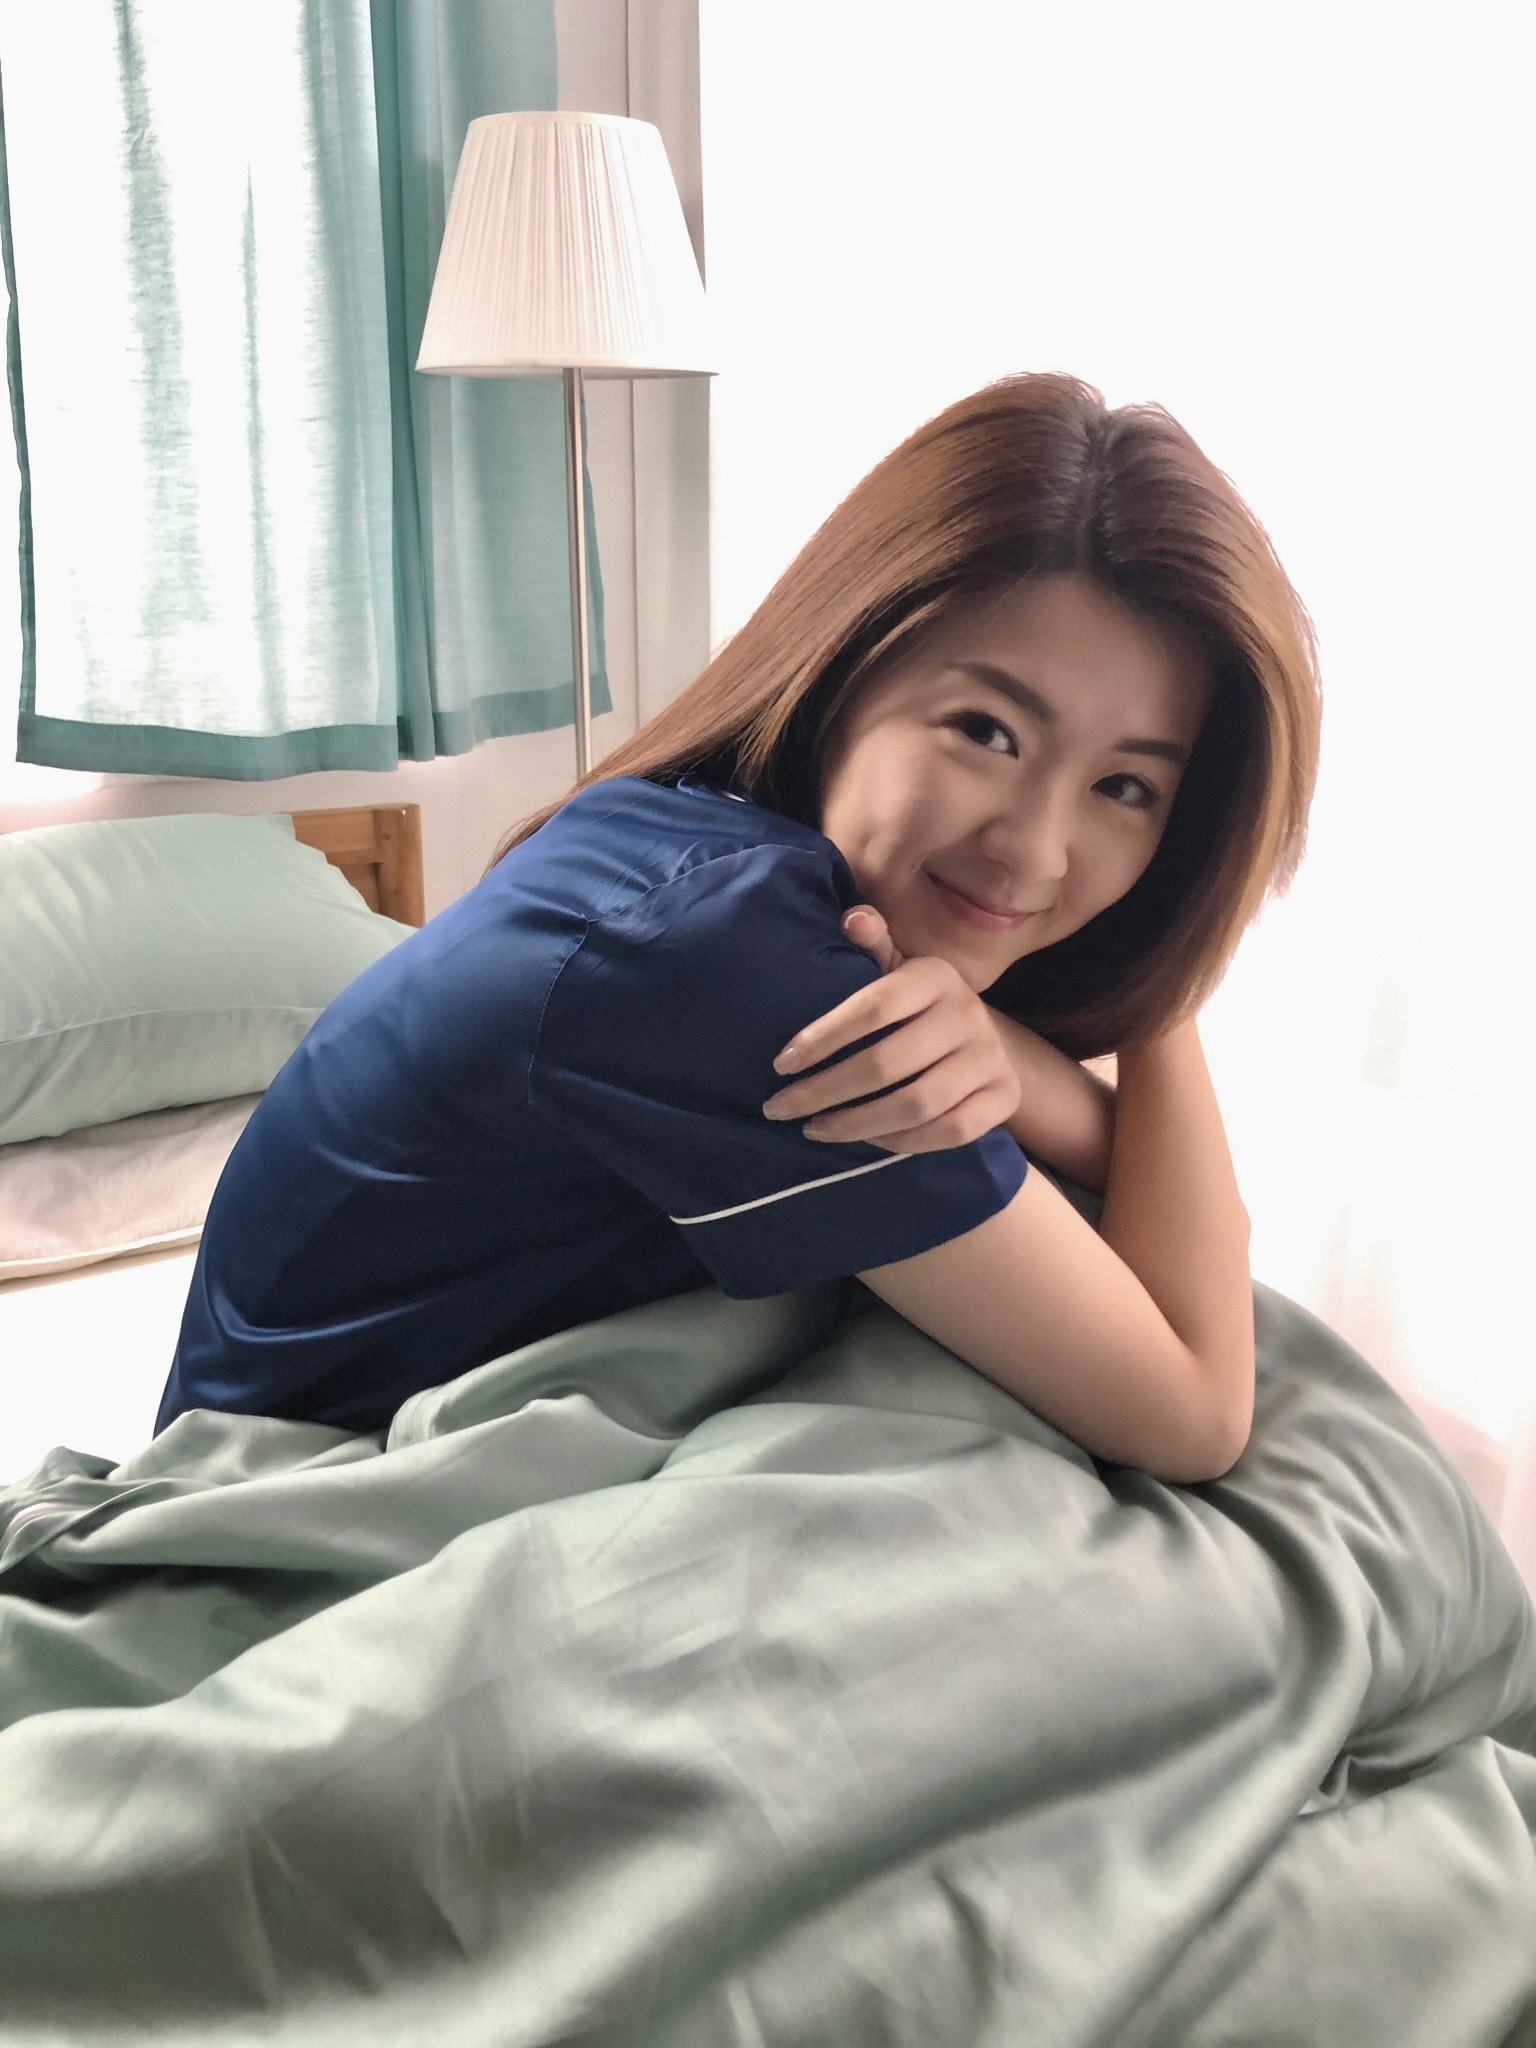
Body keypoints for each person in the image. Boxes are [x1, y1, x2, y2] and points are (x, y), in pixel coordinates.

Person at [156, 374, 1320, 1485]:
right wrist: (1168, 1004)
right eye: (987, 730)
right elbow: (1194, 1412)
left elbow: (1130, 1167)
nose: (1034, 850)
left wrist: (1047, 1038)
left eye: (1126, 787)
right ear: (846, 667)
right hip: (282, 1489)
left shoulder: (687, 840)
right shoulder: (732, 960)